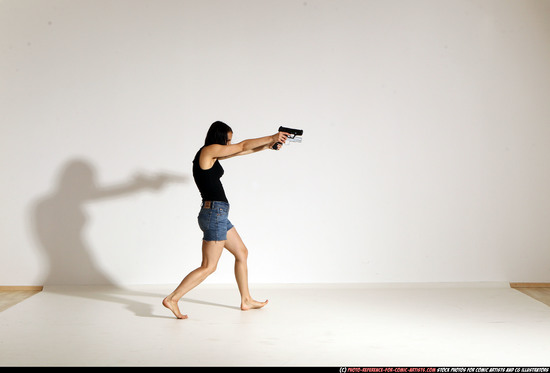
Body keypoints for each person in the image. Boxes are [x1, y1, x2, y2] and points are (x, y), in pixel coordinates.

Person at [163, 121, 289, 319]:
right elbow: (241, 146)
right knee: (208, 266)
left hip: (217, 214)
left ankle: (246, 299)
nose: (230, 143)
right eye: (227, 140)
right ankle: (173, 298)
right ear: (219, 138)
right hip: (215, 214)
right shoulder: (208, 150)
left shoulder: (212, 154)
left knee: (242, 252)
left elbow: (239, 152)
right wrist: (272, 137)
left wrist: (266, 146)